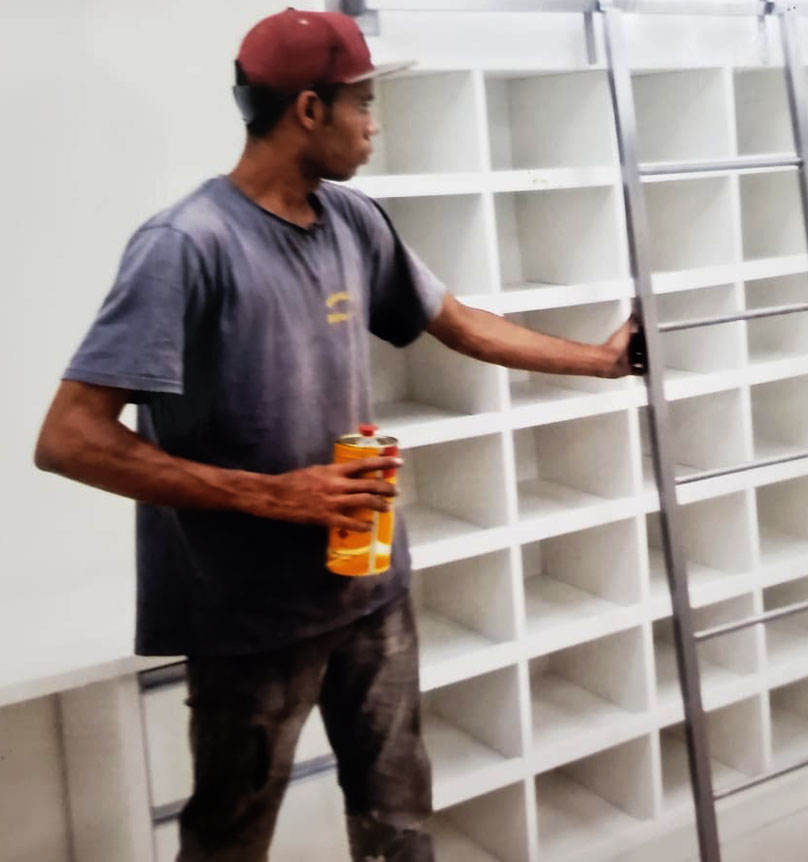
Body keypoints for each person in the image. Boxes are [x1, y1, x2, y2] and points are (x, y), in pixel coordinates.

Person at [33, 8, 637, 862]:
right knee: (230, 838)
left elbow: (458, 323)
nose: (373, 123)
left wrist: (603, 362)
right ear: (309, 109)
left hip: (369, 590)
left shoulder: (354, 221)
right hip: (249, 616)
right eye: (363, 103)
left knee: (399, 821)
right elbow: (69, 437)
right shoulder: (187, 245)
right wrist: (273, 495)